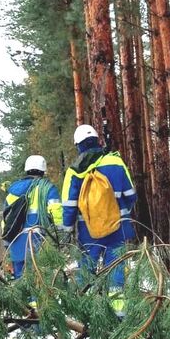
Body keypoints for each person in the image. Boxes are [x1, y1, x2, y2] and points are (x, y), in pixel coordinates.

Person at [61, 125, 137, 312]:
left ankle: (86, 311)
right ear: (97, 140)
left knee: (86, 269)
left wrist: (67, 228)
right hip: (117, 227)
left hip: (89, 230)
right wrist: (121, 212)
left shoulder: (74, 170)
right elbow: (131, 195)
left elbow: (69, 205)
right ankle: (118, 310)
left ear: (78, 145)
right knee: (116, 266)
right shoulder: (116, 162)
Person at [2, 155, 63, 280]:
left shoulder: (13, 193)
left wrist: (7, 244)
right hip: (39, 244)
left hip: (16, 245)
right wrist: (61, 237)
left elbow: (5, 221)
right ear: (43, 170)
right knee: (41, 282)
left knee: (21, 282)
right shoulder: (48, 189)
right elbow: (57, 217)